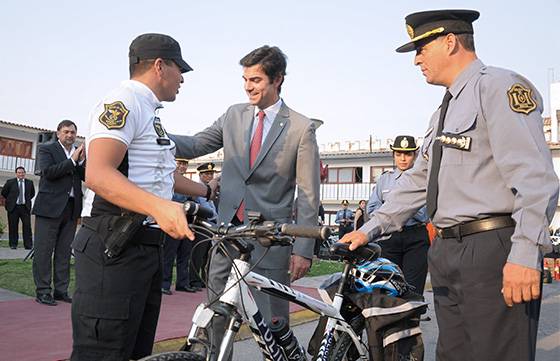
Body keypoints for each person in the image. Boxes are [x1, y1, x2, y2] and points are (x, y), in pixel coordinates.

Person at [340, 10, 559, 361]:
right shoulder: (441, 112)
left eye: (422, 48)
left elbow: (536, 180)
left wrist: (525, 253)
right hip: (446, 251)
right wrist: (369, 230)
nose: (417, 60)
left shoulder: (500, 88)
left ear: (450, 41)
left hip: (492, 249)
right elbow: (418, 181)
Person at [70, 33, 214, 360]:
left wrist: (207, 189)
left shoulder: (150, 112)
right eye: (180, 70)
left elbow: (159, 176)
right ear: (160, 66)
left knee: (135, 350)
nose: (182, 79)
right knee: (105, 351)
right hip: (114, 242)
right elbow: (98, 173)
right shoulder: (123, 103)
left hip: (143, 244)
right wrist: (162, 208)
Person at [170, 45, 320, 359]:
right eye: (245, 79)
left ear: (277, 79)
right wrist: (152, 136)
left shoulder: (300, 127)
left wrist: (303, 249)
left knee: (273, 324)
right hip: (226, 235)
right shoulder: (233, 115)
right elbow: (197, 143)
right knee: (215, 315)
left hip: (270, 239)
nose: (248, 86)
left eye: (256, 80)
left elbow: (307, 193)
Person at [366, 135, 429, 294]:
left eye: (407, 154)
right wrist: (402, 210)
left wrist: (393, 210)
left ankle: (412, 319)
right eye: (398, 154)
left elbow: (424, 214)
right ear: (393, 155)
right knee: (387, 287)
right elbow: (372, 207)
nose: (403, 159)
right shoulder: (384, 179)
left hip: (415, 238)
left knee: (413, 288)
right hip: (389, 238)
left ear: (415, 155)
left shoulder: (424, 181)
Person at [32, 120, 85, 306]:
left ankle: (61, 290)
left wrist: (82, 161)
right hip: (49, 207)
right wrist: (72, 161)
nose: (70, 135)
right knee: (44, 251)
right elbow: (48, 172)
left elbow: (86, 176)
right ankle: (43, 291)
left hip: (71, 208)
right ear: (58, 133)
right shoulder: (46, 149)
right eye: (66, 132)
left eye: (73, 132)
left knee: (64, 252)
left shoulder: (80, 153)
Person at [161, 158, 198, 295]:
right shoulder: (168, 180)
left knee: (184, 254)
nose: (182, 166)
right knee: (169, 255)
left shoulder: (189, 184)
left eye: (185, 164)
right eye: (180, 163)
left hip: (187, 222)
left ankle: (182, 283)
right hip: (173, 221)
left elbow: (195, 205)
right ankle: (164, 283)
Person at [189, 162, 219, 290]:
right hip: (202, 224)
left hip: (211, 225)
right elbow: (206, 209)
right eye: (207, 174)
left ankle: (202, 279)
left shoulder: (209, 188)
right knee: (198, 254)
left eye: (211, 174)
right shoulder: (199, 188)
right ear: (200, 175)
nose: (209, 176)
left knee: (207, 255)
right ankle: (194, 280)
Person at [1, 166, 35, 249]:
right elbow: (4, 193)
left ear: (25, 173)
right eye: (19, 172)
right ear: (16, 173)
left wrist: (25, 200)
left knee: (27, 227)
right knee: (13, 226)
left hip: (25, 208)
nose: (21, 174)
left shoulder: (29, 183)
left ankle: (28, 245)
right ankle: (13, 244)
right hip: (13, 208)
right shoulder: (10, 182)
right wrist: (11, 200)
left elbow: (32, 194)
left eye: (22, 172)